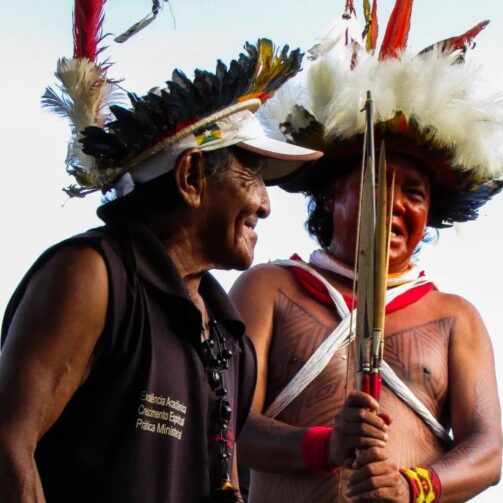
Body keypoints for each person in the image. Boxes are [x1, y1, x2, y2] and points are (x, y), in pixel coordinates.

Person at [0, 3, 322, 502]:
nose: (264, 203)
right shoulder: (94, 277)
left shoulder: (229, 335)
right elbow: (8, 445)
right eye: (251, 173)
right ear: (191, 177)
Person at [230, 2, 503, 502]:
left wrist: (412, 486)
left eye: (414, 192)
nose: (395, 205)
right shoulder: (268, 289)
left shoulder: (454, 318)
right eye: (378, 182)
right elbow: (221, 422)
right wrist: (323, 446)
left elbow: (487, 451)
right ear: (331, 194)